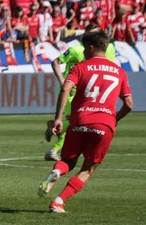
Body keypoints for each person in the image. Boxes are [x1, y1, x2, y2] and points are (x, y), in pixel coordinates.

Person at [38, 32, 133, 213]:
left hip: (80, 120)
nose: (83, 50)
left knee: (67, 161)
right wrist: (115, 118)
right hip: (104, 125)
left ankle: (57, 172)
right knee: (87, 169)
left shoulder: (81, 67)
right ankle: (58, 201)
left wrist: (58, 118)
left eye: (84, 47)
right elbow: (129, 104)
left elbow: (66, 88)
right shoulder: (119, 71)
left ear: (91, 47)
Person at [47, 24, 117, 160]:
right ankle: (54, 150)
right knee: (75, 121)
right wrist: (63, 82)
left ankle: (54, 126)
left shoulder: (110, 49)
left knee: (78, 121)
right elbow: (55, 62)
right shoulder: (76, 50)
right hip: (72, 91)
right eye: (91, 35)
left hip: (88, 91)